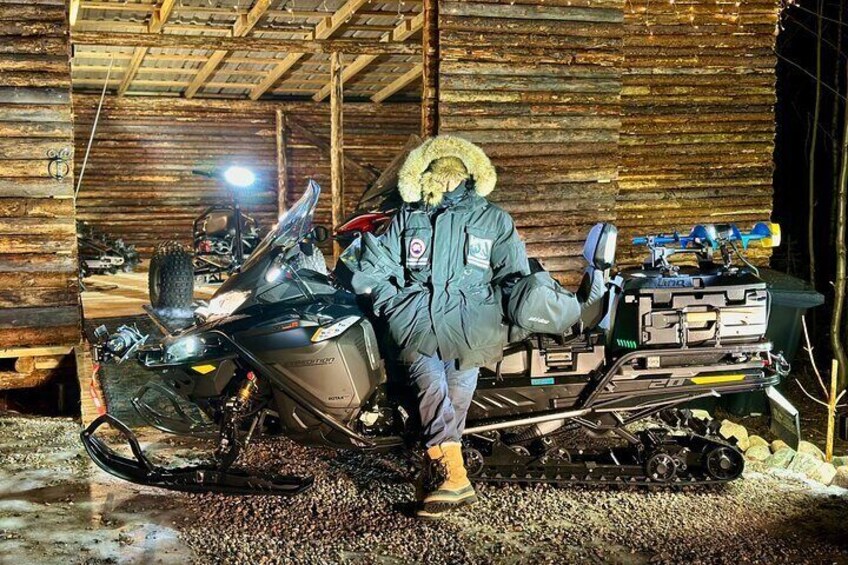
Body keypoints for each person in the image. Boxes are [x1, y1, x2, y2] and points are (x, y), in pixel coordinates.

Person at [350, 135, 531, 518]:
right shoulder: (409, 216)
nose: (446, 181)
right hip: (418, 322)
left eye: (454, 174)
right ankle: (455, 478)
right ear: (425, 174)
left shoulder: (493, 219)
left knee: (454, 403)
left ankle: (436, 481)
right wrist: (394, 305)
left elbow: (513, 274)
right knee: (431, 390)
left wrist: (506, 316)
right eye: (438, 173)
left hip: (471, 327)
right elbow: (378, 268)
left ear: (468, 175)